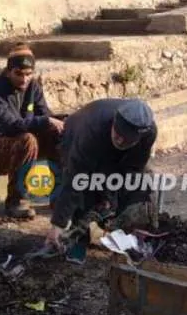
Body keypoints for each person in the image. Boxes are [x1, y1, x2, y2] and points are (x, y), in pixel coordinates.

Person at [45, 98, 159, 261]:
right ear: (114, 123)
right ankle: (78, 238)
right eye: (118, 134)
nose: (120, 140)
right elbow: (75, 181)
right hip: (74, 135)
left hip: (111, 149)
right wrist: (58, 224)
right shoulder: (91, 132)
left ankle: (121, 231)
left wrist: (113, 198)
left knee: (136, 184)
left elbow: (132, 169)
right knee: (85, 188)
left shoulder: (149, 133)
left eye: (127, 139)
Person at [0, 43, 65, 219]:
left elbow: (45, 116)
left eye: (28, 74)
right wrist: (45, 120)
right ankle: (17, 201)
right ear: (8, 71)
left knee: (57, 132)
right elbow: (10, 126)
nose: (24, 79)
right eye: (18, 74)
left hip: (24, 147)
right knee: (27, 139)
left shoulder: (33, 87)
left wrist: (63, 122)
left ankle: (59, 195)